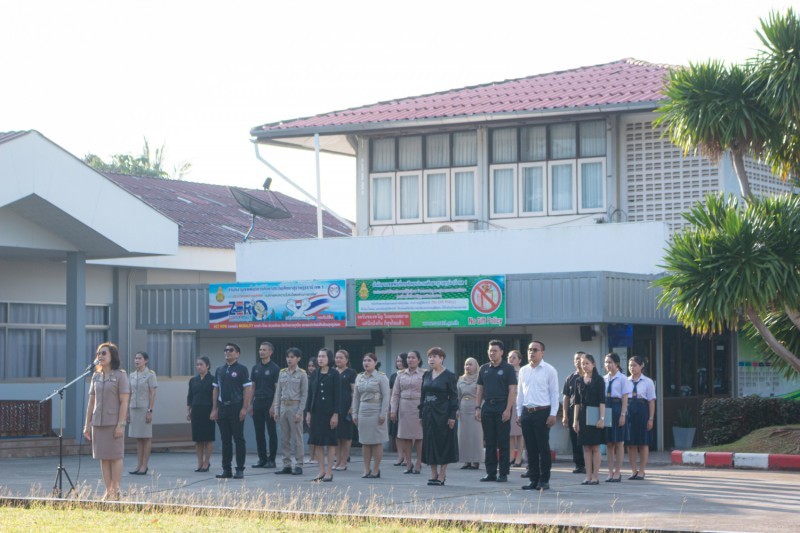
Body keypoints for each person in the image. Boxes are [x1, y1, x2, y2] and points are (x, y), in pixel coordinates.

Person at [83, 342, 130, 500]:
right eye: (99, 353)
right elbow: (91, 402)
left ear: (112, 356)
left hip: (114, 422)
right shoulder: (96, 376)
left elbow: (124, 401)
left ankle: (115, 491)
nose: (100, 356)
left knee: (115, 456)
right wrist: (87, 424)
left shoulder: (120, 375)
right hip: (98, 422)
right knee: (103, 457)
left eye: (104, 353)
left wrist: (121, 425)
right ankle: (108, 490)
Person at [517, 340, 559, 491]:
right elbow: (520, 394)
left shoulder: (549, 370)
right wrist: (519, 413)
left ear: (542, 353)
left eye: (535, 350)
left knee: (542, 447)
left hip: (542, 412)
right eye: (529, 349)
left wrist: (553, 414)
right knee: (530, 448)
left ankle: (544, 480)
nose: (531, 352)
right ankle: (533, 479)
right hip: (527, 412)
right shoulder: (523, 370)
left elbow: (554, 394)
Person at [476, 339, 517, 483]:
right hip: (487, 407)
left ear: (501, 352)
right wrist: (477, 407)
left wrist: (508, 409)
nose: (492, 353)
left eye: (495, 351)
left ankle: (503, 473)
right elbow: (480, 389)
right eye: (490, 350)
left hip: (502, 407)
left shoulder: (508, 368)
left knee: (503, 442)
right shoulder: (483, 368)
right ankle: (490, 473)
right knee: (489, 442)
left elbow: (512, 390)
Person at [210, 342, 253, 479]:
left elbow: (247, 389)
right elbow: (215, 389)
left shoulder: (242, 369)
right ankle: (226, 469)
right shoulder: (219, 370)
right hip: (223, 408)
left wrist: (244, 408)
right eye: (225, 350)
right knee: (225, 440)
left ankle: (239, 469)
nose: (227, 352)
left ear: (237, 354)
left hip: (236, 407)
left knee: (238, 438)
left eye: (231, 350)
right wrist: (214, 409)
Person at [419, 347, 458, 486]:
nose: (431, 359)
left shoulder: (449, 375)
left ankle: (442, 474)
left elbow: (453, 397)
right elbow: (423, 395)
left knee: (443, 442)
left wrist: (452, 416)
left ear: (441, 358)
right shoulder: (426, 375)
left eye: (434, 356)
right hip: (428, 413)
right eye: (429, 357)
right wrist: (420, 414)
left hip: (443, 413)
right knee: (429, 442)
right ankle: (433, 474)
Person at [353, 352, 390, 479]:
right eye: (364, 360)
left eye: (369, 360)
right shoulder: (359, 377)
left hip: (376, 410)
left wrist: (383, 413)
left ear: (375, 362)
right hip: (363, 410)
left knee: (376, 442)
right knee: (365, 442)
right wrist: (355, 413)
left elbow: (386, 396)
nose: (366, 363)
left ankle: (375, 469)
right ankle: (366, 468)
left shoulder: (381, 377)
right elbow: (356, 397)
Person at [305, 348, 340, 482]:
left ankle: (329, 471)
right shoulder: (315, 373)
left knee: (330, 442)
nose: (320, 359)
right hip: (316, 412)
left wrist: (335, 414)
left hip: (329, 413)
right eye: (319, 356)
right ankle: (321, 470)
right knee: (317, 442)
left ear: (329, 358)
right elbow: (310, 394)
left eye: (323, 356)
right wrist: (308, 412)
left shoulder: (334, 373)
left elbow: (337, 395)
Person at [273, 347, 308, 476]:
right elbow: (278, 392)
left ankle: (299, 464)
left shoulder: (302, 374)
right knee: (284, 438)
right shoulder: (282, 373)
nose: (289, 359)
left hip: (295, 406)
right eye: (288, 356)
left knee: (297, 438)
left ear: (298, 359)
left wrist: (300, 412)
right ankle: (286, 464)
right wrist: (276, 409)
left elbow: (304, 394)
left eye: (292, 357)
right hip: (283, 406)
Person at [573, 353, 605, 485]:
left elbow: (602, 401)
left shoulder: (599, 380)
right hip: (583, 414)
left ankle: (596, 476)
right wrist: (575, 420)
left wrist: (602, 418)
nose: (584, 366)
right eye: (582, 364)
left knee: (596, 447)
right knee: (586, 447)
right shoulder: (578, 380)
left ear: (593, 364)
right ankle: (588, 476)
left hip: (595, 413)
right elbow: (577, 402)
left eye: (587, 363)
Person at [391, 349, 424, 474]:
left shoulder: (424, 374)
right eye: (408, 357)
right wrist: (393, 410)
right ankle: (409, 463)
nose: (410, 360)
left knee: (419, 436)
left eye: (413, 357)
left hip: (418, 406)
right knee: (406, 437)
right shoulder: (400, 375)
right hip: (404, 407)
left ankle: (419, 462)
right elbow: (395, 394)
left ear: (418, 360)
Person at [249, 341, 280, 469]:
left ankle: (271, 460)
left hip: (269, 402)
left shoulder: (275, 368)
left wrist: (273, 406)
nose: (261, 352)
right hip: (258, 402)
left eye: (264, 350)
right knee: (259, 432)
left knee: (271, 432)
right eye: (260, 349)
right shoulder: (255, 368)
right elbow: (253, 387)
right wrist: (250, 404)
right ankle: (262, 458)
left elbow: (277, 389)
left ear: (270, 352)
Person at [626, 355, 656, 480]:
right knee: (631, 443)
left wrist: (651, 418)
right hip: (629, 411)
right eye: (630, 365)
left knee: (643, 442)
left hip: (642, 411)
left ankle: (642, 470)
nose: (632, 368)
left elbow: (651, 401)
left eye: (634, 365)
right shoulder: (626, 381)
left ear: (641, 366)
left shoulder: (648, 382)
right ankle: (634, 470)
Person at [128, 351, 157, 475]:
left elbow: (153, 393)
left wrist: (150, 411)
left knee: (146, 437)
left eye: (139, 358)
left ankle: (145, 465)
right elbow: (129, 393)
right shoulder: (132, 375)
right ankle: (139, 464)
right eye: (135, 358)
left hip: (144, 408)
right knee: (138, 438)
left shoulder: (150, 374)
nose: (137, 360)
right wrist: (127, 411)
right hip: (133, 409)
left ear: (146, 360)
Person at [604, 352, 631, 483]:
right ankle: (610, 471)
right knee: (609, 443)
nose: (607, 365)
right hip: (607, 408)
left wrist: (622, 414)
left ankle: (618, 472)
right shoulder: (604, 379)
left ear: (617, 364)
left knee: (619, 442)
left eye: (610, 362)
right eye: (606, 362)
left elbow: (625, 397)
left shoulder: (622, 378)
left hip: (617, 407)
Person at [186, 356, 215, 472]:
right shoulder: (193, 380)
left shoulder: (213, 379)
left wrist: (214, 410)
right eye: (197, 364)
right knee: (198, 439)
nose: (199, 367)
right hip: (196, 410)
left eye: (201, 364)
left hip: (208, 410)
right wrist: (188, 410)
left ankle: (207, 462)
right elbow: (190, 397)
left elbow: (215, 397)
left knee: (208, 438)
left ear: (207, 366)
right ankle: (199, 462)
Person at [562, 351, 586, 474]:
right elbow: (566, 397)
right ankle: (579, 464)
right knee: (575, 438)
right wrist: (565, 415)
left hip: (586, 410)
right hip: (573, 411)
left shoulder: (590, 376)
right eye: (576, 359)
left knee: (587, 438)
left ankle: (590, 464)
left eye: (581, 359)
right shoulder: (570, 378)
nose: (578, 361)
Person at [333, 349, 356, 471]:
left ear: (346, 360)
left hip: (346, 407)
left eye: (341, 357)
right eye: (336, 357)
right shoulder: (332, 372)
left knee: (346, 436)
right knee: (336, 435)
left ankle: (344, 461)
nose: (338, 360)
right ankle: (337, 460)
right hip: (334, 408)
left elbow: (353, 392)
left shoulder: (351, 372)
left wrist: (352, 407)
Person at [457, 357, 482, 470]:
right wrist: (457, 409)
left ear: (476, 366)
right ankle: (466, 460)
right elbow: (458, 396)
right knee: (464, 435)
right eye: (466, 364)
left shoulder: (479, 378)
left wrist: (479, 408)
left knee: (475, 435)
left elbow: (482, 395)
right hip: (463, 408)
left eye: (470, 364)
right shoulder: (461, 379)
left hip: (475, 408)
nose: (468, 366)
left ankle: (476, 460)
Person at [388, 352, 408, 466]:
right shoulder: (393, 376)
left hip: (407, 405)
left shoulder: (410, 374)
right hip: (395, 405)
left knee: (407, 432)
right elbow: (391, 393)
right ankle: (400, 456)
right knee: (396, 432)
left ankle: (407, 457)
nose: (399, 363)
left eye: (401, 361)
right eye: (397, 361)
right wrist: (390, 408)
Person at [507, 349, 525, 468]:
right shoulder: (506, 371)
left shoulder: (522, 372)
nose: (511, 359)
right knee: (510, 433)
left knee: (520, 433)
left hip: (519, 403)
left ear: (519, 360)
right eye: (509, 357)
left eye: (514, 357)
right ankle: (511, 456)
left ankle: (519, 458)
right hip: (508, 404)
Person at [305, 358, 318, 465]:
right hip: (307, 408)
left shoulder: (319, 378)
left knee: (317, 434)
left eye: (313, 366)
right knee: (310, 434)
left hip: (317, 408)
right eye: (309, 366)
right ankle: (312, 457)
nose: (311, 368)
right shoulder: (306, 377)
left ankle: (318, 457)